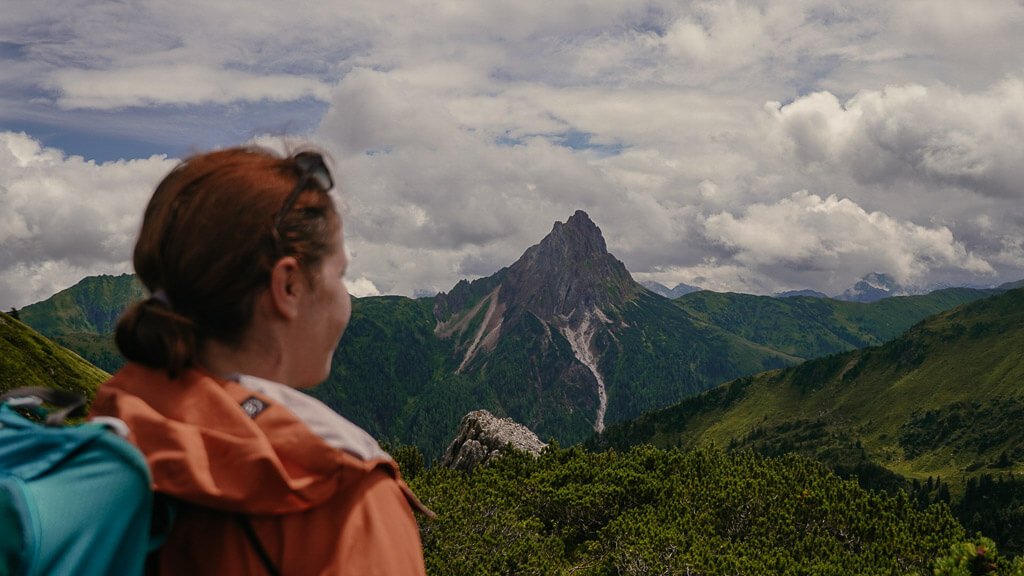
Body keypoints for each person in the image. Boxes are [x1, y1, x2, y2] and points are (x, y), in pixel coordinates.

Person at [90, 146, 429, 575]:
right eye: (339, 274)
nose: (345, 297)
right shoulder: (344, 495)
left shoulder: (109, 429)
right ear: (288, 285)